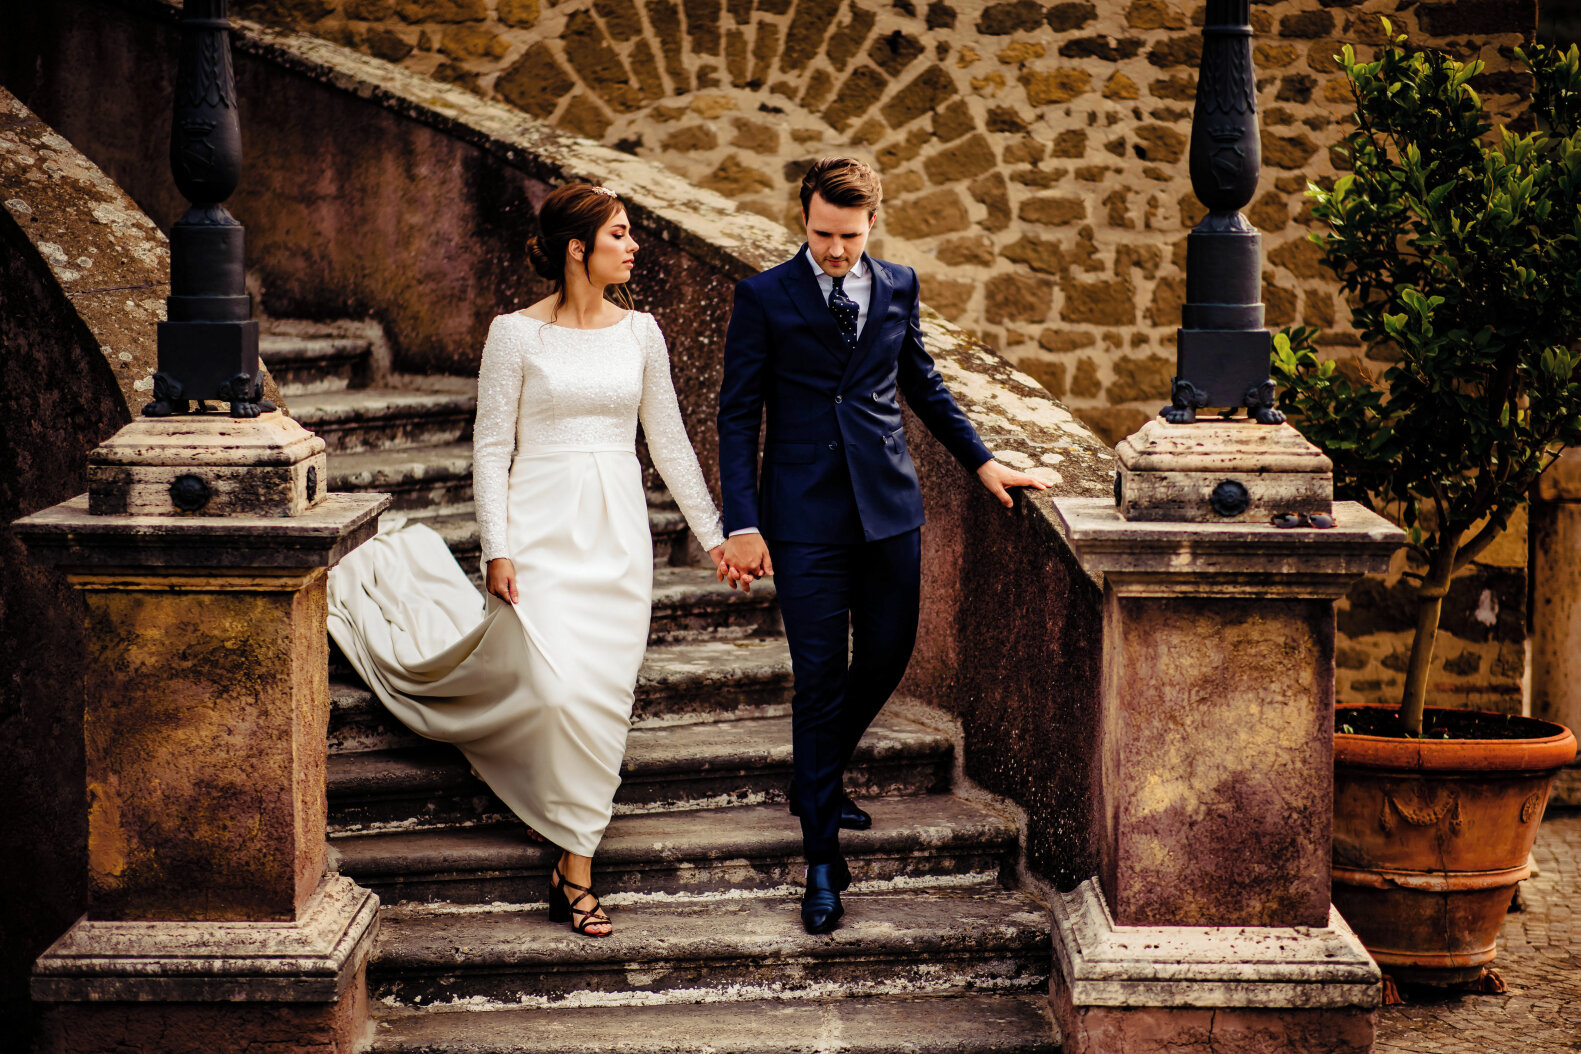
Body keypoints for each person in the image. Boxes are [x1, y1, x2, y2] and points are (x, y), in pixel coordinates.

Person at [327, 182, 725, 938]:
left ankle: (572, 868)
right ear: (578, 248)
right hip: (538, 519)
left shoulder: (642, 333)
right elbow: (490, 444)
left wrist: (713, 537)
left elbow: (667, 443)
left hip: (615, 531)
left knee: (602, 698)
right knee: (547, 684)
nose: (634, 246)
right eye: (620, 234)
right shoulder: (514, 333)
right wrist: (496, 547)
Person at [715, 158, 1047, 934]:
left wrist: (982, 459)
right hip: (800, 518)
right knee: (820, 678)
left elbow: (921, 382)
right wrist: (741, 521)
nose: (834, 249)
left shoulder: (896, 285)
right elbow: (738, 415)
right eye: (822, 233)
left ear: (874, 225)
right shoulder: (761, 296)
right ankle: (823, 864)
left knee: (890, 654)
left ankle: (815, 780)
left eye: (849, 236)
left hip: (889, 508)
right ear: (804, 219)